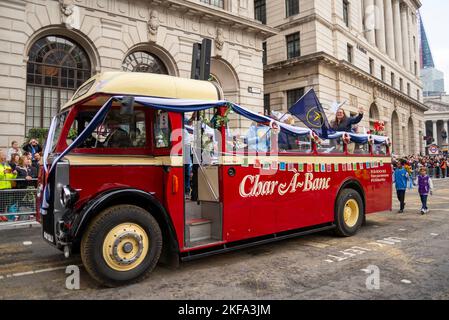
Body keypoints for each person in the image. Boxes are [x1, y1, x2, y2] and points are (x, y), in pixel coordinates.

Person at [0, 149, 18, 219]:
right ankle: (1, 216)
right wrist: (3, 172)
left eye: (4, 155)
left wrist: (14, 174)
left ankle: (3, 216)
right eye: (3, 155)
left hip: (8, 187)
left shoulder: (7, 165)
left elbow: (11, 177)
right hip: (1, 188)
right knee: (1, 203)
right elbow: (1, 175)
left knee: (6, 203)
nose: (4, 156)